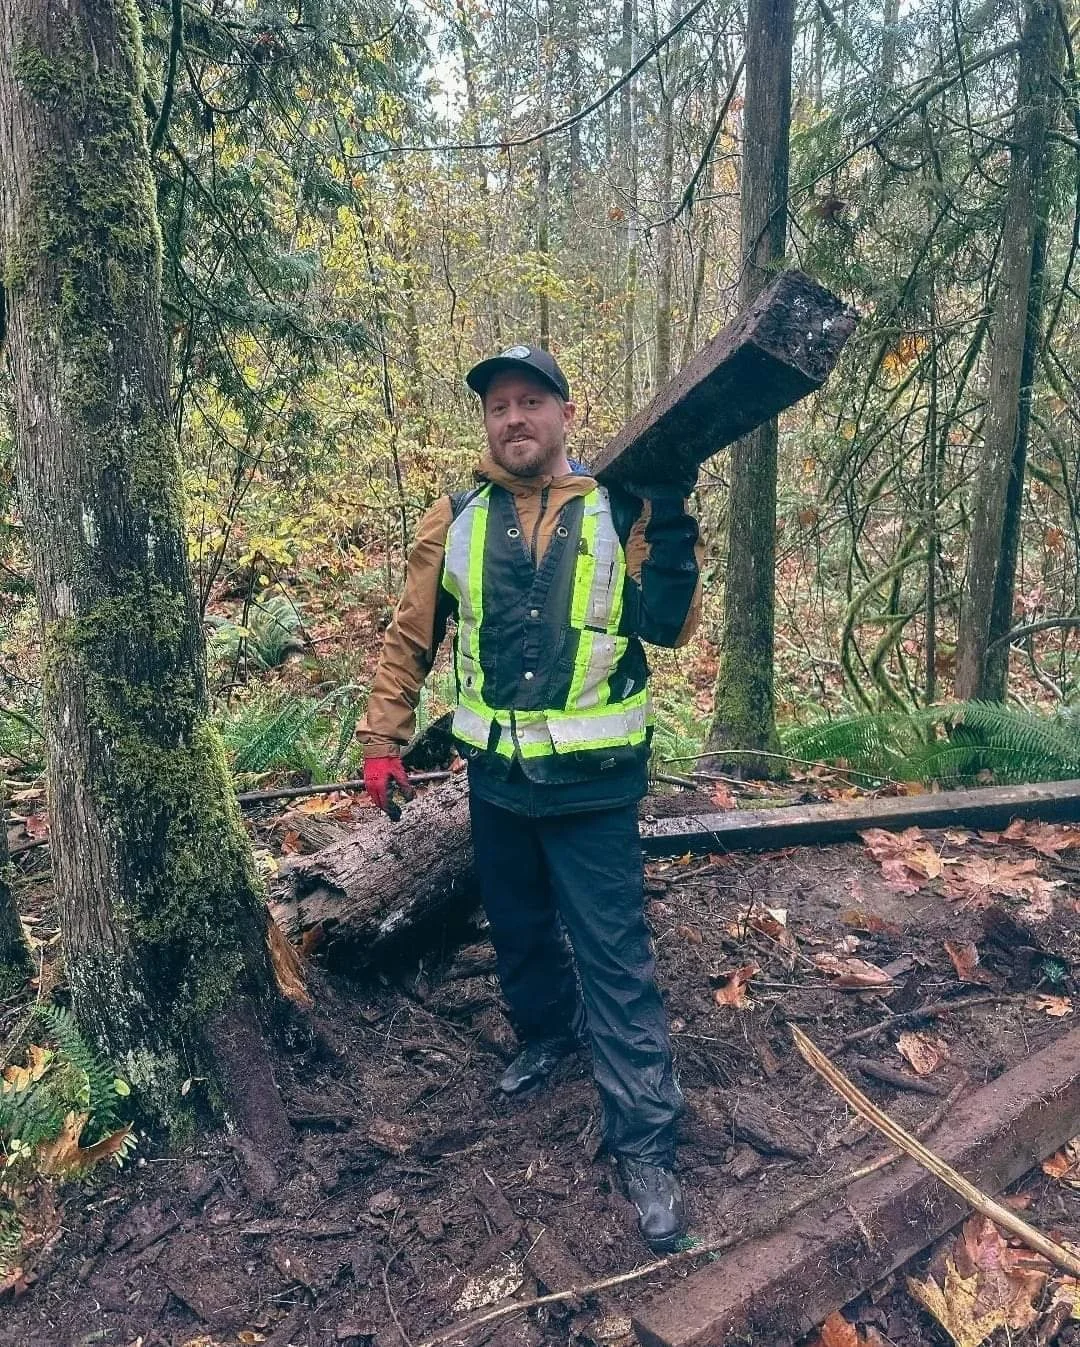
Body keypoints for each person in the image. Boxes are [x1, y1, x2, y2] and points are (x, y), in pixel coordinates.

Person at [359, 344, 702, 1252]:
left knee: (617, 961)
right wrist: (382, 738)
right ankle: (546, 1035)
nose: (514, 419)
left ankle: (647, 1143)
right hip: (498, 783)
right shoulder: (457, 515)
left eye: (531, 402)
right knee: (516, 930)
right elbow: (411, 635)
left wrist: (671, 518)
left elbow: (667, 626)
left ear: (564, 414)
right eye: (498, 406)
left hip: (594, 788)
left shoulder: (618, 504)